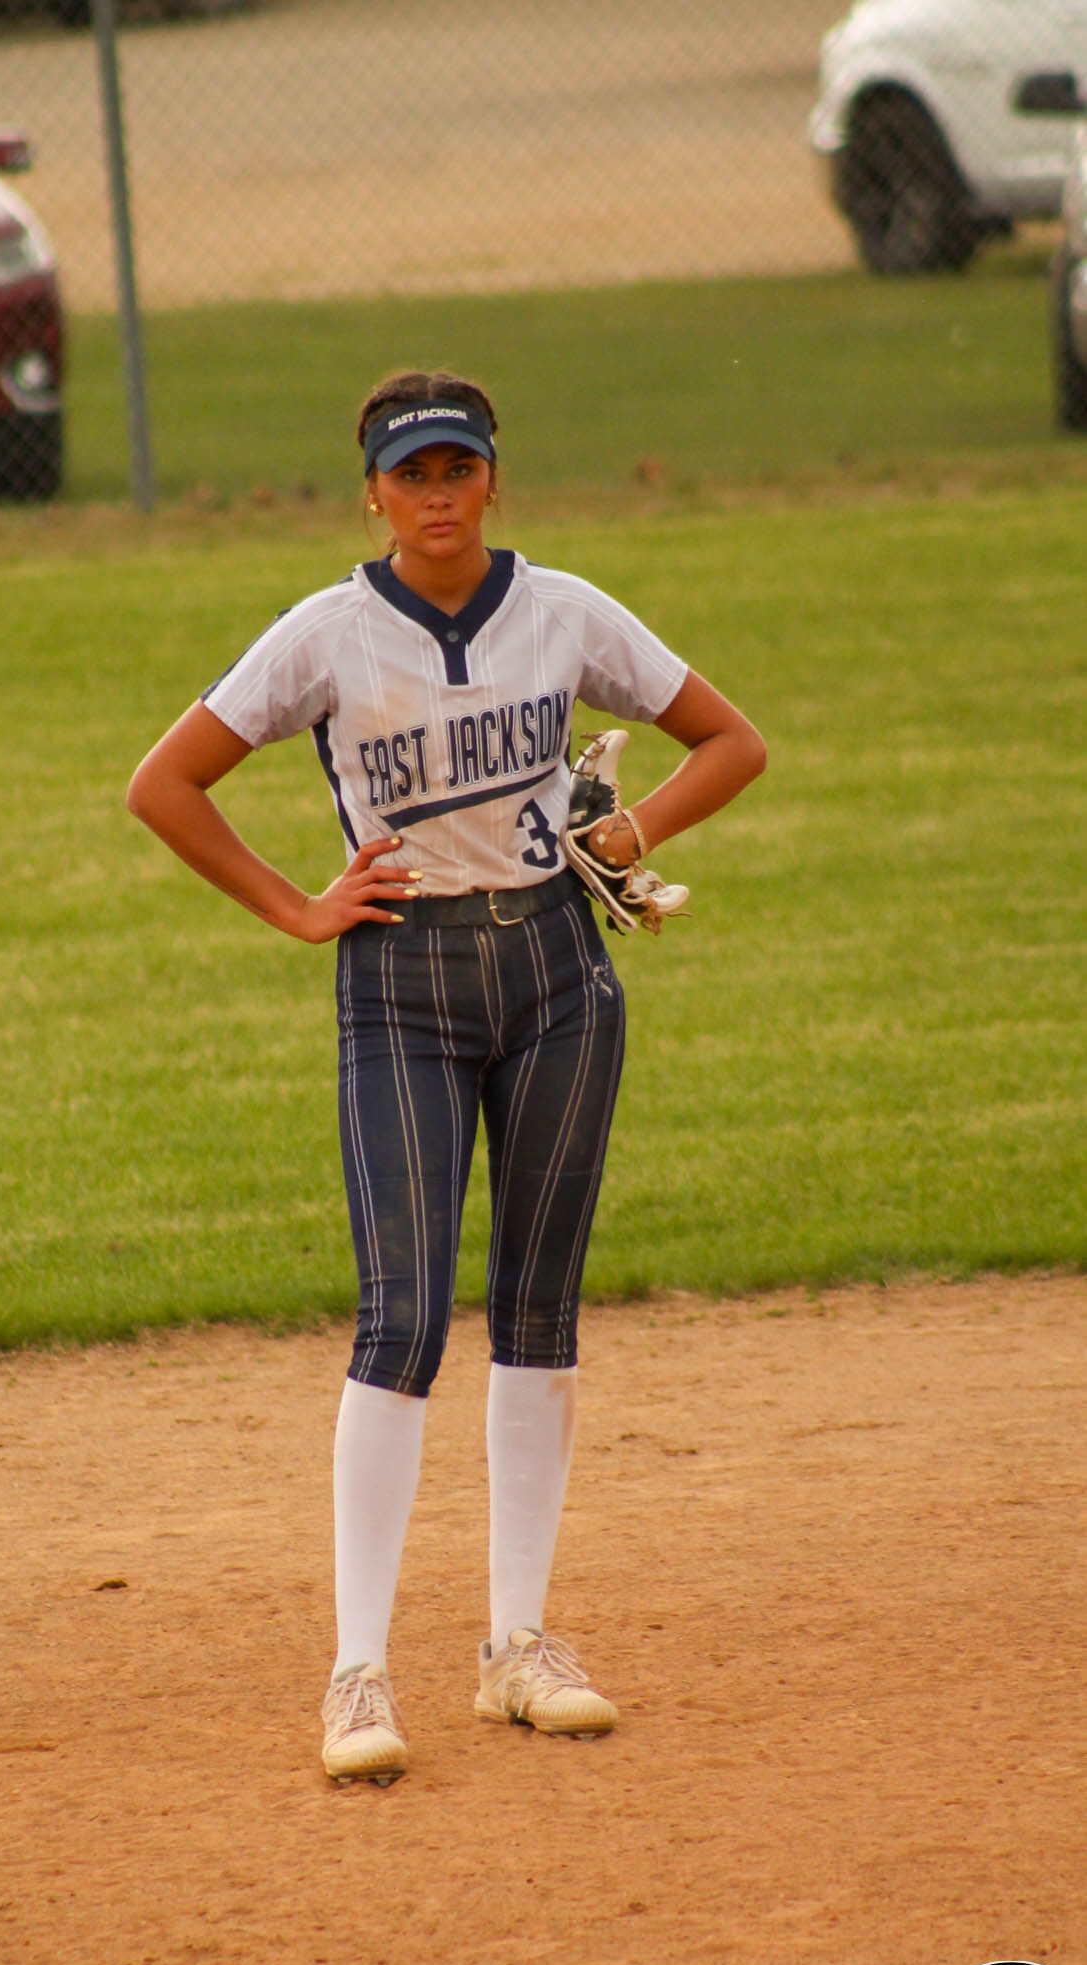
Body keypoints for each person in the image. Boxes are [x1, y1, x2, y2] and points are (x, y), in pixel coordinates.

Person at [127, 368, 766, 1787]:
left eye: (456, 468)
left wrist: (628, 834)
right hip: (400, 986)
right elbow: (163, 783)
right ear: (371, 492)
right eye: (409, 473)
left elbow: (733, 741)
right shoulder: (327, 634)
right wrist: (300, 908)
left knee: (538, 1309)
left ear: (492, 479)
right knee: (403, 1318)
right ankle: (357, 1671)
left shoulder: (563, 611)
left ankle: (517, 1645)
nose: (435, 495)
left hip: (557, 979)